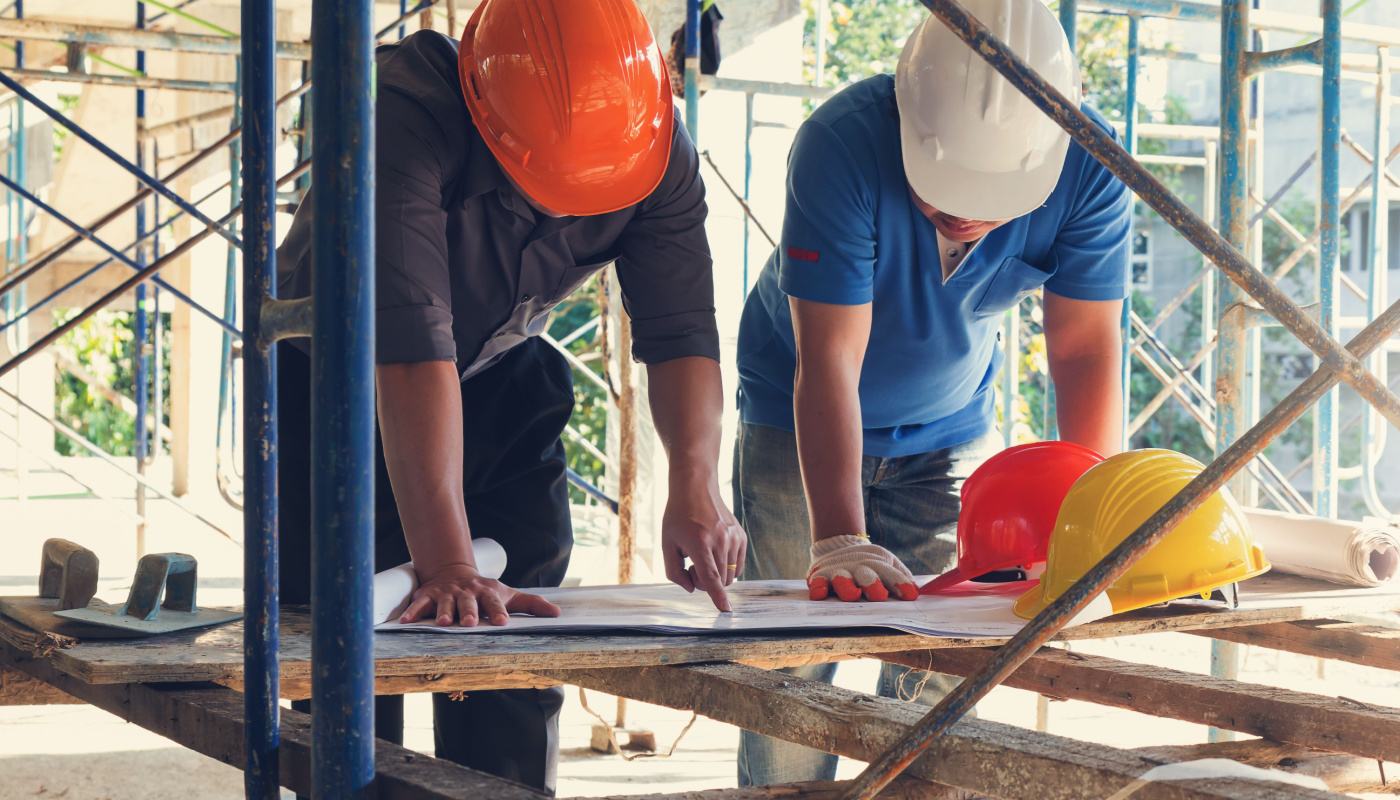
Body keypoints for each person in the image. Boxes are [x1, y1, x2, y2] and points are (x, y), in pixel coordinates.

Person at [274, 0, 746, 793]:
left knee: (512, 644)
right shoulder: (404, 110)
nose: (565, 207)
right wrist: (450, 560)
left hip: (495, 373)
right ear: (485, 109)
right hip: (330, 385)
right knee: (347, 672)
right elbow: (408, 340)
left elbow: (681, 330)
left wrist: (695, 487)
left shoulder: (653, 142)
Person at [732, 0, 1131, 785]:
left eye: (995, 198)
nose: (965, 214)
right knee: (789, 669)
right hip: (796, 420)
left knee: (940, 676)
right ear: (910, 123)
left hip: (945, 431)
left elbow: (1084, 349)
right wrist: (839, 537)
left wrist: (1091, 524)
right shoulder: (840, 145)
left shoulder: (1092, 167)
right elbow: (830, 360)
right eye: (942, 192)